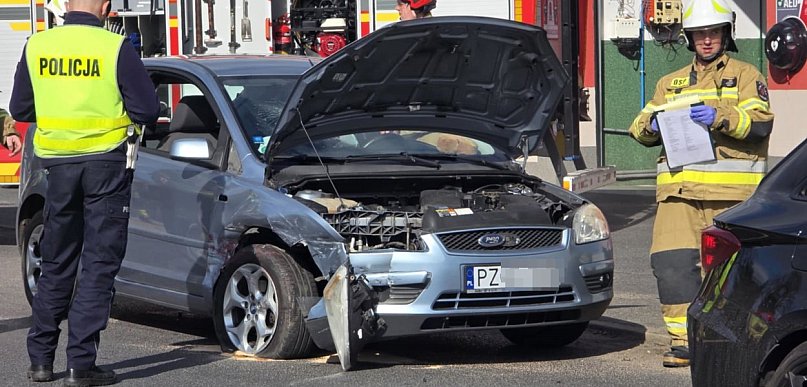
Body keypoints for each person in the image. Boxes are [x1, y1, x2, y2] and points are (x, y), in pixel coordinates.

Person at [9, 0, 160, 384]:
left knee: (57, 260)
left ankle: (41, 360)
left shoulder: (38, 45)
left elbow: (20, 108)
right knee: (97, 263)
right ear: (107, 7)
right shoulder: (114, 47)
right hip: (106, 167)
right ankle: (80, 364)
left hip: (58, 166)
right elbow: (146, 110)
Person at [628, 0, 773, 368]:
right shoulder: (669, 83)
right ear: (690, 38)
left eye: (713, 32)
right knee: (672, 264)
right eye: (699, 34)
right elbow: (639, 126)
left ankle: (728, 341)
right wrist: (652, 126)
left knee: (728, 271)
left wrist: (719, 116)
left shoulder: (745, 75)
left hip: (732, 197)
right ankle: (683, 341)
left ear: (726, 34)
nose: (706, 40)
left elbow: (760, 123)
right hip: (679, 193)